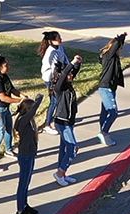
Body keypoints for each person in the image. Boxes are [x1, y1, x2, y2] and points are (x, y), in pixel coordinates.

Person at [0, 52, 28, 172]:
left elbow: (12, 89)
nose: (8, 67)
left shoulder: (4, 77)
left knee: (9, 130)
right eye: (6, 65)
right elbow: (3, 97)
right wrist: (19, 100)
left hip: (5, 109)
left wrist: (21, 95)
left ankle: (9, 150)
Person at [53, 55, 82, 187]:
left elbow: (72, 72)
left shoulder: (69, 86)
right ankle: (60, 173)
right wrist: (71, 63)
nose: (71, 75)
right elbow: (65, 74)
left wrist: (77, 64)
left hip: (69, 122)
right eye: (69, 74)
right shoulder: (59, 89)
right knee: (73, 148)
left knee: (64, 149)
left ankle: (62, 173)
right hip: (62, 122)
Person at [14, 94, 44, 214]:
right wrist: (38, 101)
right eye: (32, 109)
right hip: (25, 155)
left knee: (27, 183)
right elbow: (33, 110)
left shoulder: (29, 121)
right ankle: (20, 210)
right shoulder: (22, 121)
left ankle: (25, 205)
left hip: (30, 154)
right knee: (23, 183)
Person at [98, 32, 127, 146]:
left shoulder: (112, 58)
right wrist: (121, 37)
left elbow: (117, 45)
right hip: (106, 88)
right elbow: (115, 45)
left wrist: (122, 40)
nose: (121, 50)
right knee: (113, 112)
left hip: (110, 88)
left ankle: (103, 132)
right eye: (120, 48)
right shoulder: (109, 56)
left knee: (105, 111)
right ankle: (104, 132)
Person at [37, 31, 69, 135]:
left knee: (58, 100)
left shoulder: (60, 48)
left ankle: (54, 120)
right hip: (50, 79)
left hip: (57, 78)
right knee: (54, 101)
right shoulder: (51, 52)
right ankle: (47, 125)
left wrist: (70, 68)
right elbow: (55, 68)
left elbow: (65, 60)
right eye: (58, 38)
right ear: (52, 40)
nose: (61, 39)